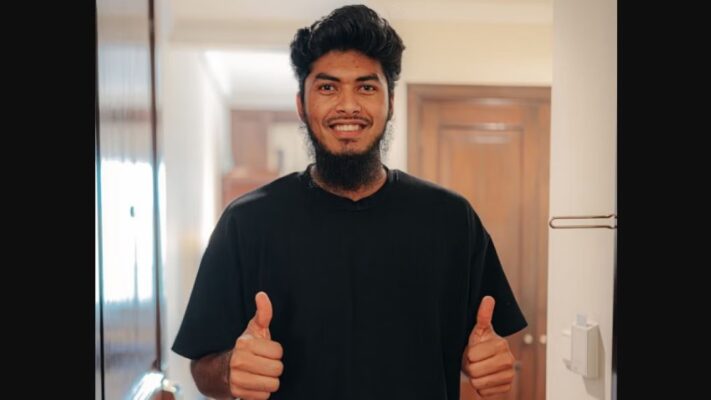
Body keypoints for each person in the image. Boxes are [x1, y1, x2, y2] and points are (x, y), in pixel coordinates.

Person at [172, 4, 527, 400]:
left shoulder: (451, 220)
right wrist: (230, 371)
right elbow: (202, 366)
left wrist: (486, 361)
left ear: (390, 103)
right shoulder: (247, 222)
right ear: (301, 104)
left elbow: (484, 346)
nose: (348, 106)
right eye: (327, 87)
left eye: (366, 87)